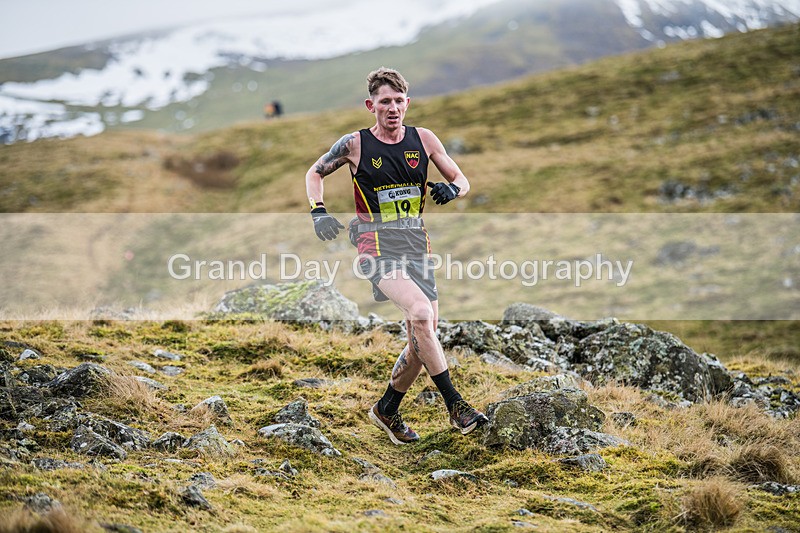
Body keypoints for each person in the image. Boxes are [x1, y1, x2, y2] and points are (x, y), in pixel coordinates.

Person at [304, 67, 488, 445]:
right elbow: (315, 172)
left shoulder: (424, 139)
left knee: (424, 339)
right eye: (384, 101)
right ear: (371, 105)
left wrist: (453, 191)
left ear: (408, 103)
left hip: (416, 246)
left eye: (398, 101)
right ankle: (456, 407)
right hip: (376, 248)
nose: (392, 108)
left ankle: (386, 409)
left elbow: (462, 179)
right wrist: (318, 210)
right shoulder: (354, 145)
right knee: (421, 315)